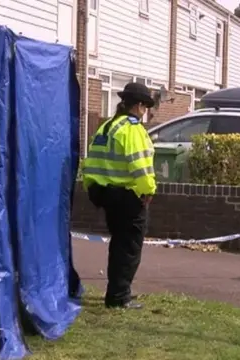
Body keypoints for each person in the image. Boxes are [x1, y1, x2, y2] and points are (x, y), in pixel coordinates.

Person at [81, 82, 157, 309]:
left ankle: (116, 291)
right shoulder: (132, 129)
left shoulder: (107, 127)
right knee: (129, 246)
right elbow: (141, 165)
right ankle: (119, 296)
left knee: (118, 244)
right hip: (127, 196)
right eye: (146, 107)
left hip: (103, 193)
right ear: (140, 106)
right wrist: (148, 190)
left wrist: (94, 189)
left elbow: (91, 163)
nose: (146, 112)